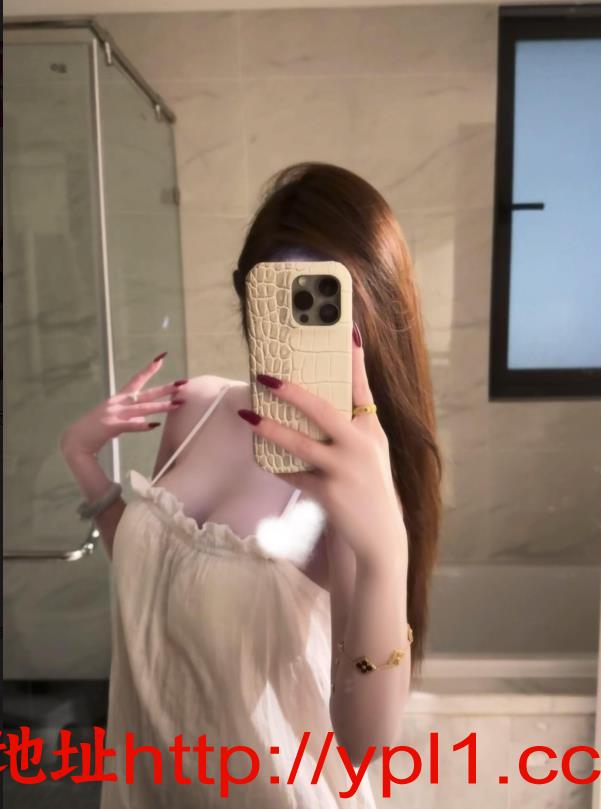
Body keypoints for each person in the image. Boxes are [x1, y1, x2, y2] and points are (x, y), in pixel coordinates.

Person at [60, 162, 443, 808]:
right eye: (277, 289)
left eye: (322, 299)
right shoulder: (198, 405)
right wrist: (81, 459)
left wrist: (384, 551)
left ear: (367, 315)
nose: (298, 318)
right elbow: (154, 574)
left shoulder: (352, 479)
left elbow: (363, 749)